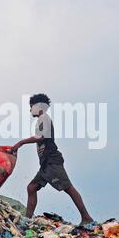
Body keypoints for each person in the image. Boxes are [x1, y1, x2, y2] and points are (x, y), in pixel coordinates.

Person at [12, 93, 94, 226]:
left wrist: (21, 143)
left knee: (68, 188)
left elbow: (41, 137)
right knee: (32, 187)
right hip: (45, 164)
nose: (30, 109)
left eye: (31, 106)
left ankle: (87, 218)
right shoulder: (40, 120)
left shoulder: (44, 118)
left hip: (52, 161)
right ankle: (27, 219)